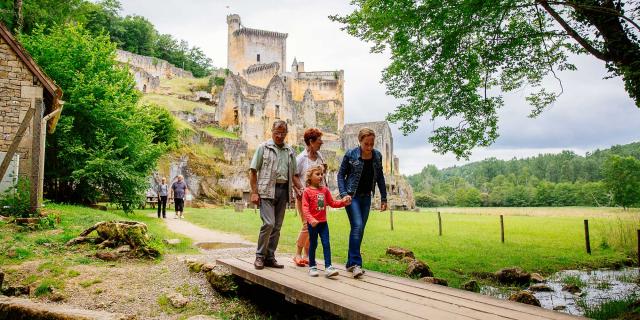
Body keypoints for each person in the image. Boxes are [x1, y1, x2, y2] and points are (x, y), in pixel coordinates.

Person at [250, 120, 304, 270]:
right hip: (266, 190)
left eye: (282, 133)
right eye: (277, 133)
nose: (279, 136)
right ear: (271, 132)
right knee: (269, 223)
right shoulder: (263, 148)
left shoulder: (290, 151)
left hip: (283, 191)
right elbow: (253, 170)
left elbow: (293, 175)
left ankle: (270, 257)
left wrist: (301, 189)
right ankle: (260, 257)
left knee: (277, 227)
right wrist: (254, 192)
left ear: (286, 133)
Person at [337, 127, 387, 279]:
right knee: (358, 226)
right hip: (352, 197)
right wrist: (344, 194)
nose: (369, 147)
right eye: (366, 144)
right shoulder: (351, 154)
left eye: (372, 143)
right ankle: (355, 264)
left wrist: (384, 198)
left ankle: (350, 262)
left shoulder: (377, 156)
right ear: (360, 141)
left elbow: (380, 178)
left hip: (366, 198)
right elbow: (340, 175)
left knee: (359, 229)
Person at [302, 165, 350, 277]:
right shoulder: (307, 191)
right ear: (310, 176)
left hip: (323, 223)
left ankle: (328, 267)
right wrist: (311, 219)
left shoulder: (325, 190)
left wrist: (343, 202)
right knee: (313, 244)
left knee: (326, 243)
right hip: (313, 224)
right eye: (317, 174)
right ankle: (312, 266)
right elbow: (305, 208)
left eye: (321, 174)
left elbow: (332, 203)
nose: (320, 176)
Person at [294, 128, 326, 267]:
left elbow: (320, 174)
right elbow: (294, 174)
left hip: (318, 197)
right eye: (319, 141)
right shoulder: (301, 158)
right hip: (305, 198)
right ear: (311, 142)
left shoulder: (319, 156)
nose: (322, 143)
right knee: (307, 225)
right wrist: (302, 189)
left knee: (315, 226)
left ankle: (307, 255)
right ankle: (297, 253)